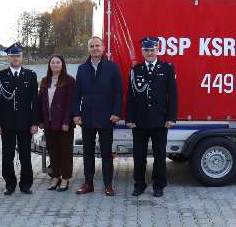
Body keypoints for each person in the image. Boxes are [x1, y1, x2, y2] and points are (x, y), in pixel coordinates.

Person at [125, 37, 178, 198]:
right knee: (139, 157)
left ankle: (159, 185)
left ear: (157, 50)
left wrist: (171, 118)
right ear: (142, 52)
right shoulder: (136, 70)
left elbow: (173, 95)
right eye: (146, 50)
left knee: (159, 156)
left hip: (160, 121)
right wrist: (129, 119)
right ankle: (139, 185)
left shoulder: (167, 68)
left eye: (152, 50)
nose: (149, 53)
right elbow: (130, 96)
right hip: (139, 122)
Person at [72, 36, 123, 196]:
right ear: (89, 49)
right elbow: (76, 94)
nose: (95, 48)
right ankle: (88, 183)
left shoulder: (112, 68)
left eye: (97, 45)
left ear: (103, 47)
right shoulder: (82, 69)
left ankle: (108, 185)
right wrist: (76, 114)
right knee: (88, 153)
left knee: (106, 154)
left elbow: (119, 93)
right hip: (87, 118)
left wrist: (116, 113)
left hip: (107, 118)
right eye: (92, 46)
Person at [0, 42, 40, 195]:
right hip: (6, 124)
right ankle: (10, 184)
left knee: (26, 155)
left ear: (22, 58)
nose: (15, 58)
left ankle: (26, 184)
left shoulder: (30, 75)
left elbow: (35, 101)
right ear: (8, 58)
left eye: (18, 56)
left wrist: (34, 123)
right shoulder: (0, 76)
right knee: (7, 156)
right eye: (12, 56)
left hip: (25, 124)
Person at [38, 54, 75, 192]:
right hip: (49, 123)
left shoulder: (69, 80)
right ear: (49, 65)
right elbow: (40, 101)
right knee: (53, 152)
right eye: (52, 62)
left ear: (62, 64)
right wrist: (41, 120)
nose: (54, 64)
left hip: (64, 124)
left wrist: (67, 121)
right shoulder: (44, 81)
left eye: (57, 62)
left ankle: (65, 179)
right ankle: (56, 177)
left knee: (65, 152)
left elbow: (70, 103)